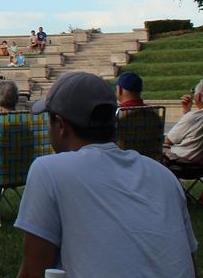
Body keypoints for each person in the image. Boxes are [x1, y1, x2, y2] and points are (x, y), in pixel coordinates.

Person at [15, 71, 197, 277]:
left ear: (61, 125)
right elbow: (188, 263)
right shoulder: (163, 176)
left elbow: (34, 271)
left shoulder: (48, 171)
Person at [164, 78, 203, 165]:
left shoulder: (193, 117)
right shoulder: (193, 117)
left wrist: (187, 114)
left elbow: (168, 140)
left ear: (199, 96)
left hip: (183, 164)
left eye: (194, 93)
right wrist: (187, 111)